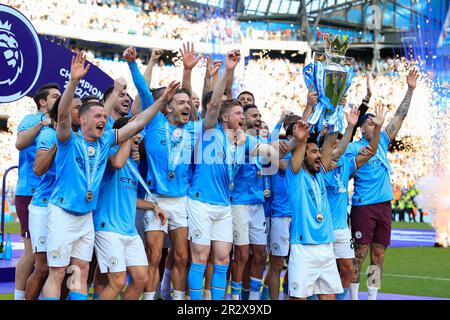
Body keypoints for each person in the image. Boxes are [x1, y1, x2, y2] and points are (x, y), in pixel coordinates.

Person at [41, 51, 180, 300]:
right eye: (98, 116)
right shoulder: (67, 140)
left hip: (85, 217)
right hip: (62, 212)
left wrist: (161, 103)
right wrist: (73, 82)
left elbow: (136, 124)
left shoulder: (106, 140)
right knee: (58, 272)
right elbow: (62, 114)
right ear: (82, 120)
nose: (103, 119)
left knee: (81, 271)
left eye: (105, 117)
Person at [186, 50, 279, 300]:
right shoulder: (209, 130)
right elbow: (214, 103)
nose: (243, 116)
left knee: (223, 258)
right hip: (200, 202)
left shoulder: (244, 140)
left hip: (223, 206)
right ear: (226, 117)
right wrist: (227, 71)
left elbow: (272, 153)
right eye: (238, 113)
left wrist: (294, 141)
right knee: (200, 257)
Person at [124, 45, 195, 300]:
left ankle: (177, 300)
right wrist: (134, 63)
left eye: (188, 102)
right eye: (180, 102)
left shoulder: (193, 129)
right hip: (156, 198)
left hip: (182, 201)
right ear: (167, 107)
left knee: (182, 256)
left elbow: (201, 102)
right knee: (154, 255)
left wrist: (188, 72)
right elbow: (144, 92)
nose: (186, 105)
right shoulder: (155, 122)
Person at [347, 69, 419, 300]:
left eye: (375, 121)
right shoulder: (353, 148)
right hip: (363, 206)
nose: (374, 122)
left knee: (378, 255)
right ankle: (355, 297)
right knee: (359, 254)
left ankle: (372, 297)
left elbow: (400, 116)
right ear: (362, 128)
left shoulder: (383, 141)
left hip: (384, 206)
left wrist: (410, 89)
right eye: (370, 121)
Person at [93, 117, 167, 300]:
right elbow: (117, 163)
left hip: (129, 231)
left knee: (141, 279)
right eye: (135, 131)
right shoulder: (109, 154)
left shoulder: (133, 164)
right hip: (108, 228)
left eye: (139, 132)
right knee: (117, 282)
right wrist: (128, 133)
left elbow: (129, 198)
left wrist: (152, 205)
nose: (139, 135)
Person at [324, 104, 385, 300]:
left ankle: (368, 297)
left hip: (342, 227)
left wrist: (377, 129)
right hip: (323, 228)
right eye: (333, 144)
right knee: (345, 262)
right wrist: (350, 126)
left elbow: (371, 151)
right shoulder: (318, 169)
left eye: (339, 144)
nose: (337, 147)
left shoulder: (346, 165)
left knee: (355, 266)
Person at [25, 94, 81, 300]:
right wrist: (60, 141)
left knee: (66, 268)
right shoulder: (48, 135)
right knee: (42, 268)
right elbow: (38, 169)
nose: (80, 112)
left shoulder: (83, 137)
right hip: (43, 206)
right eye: (76, 108)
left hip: (67, 210)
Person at [14, 83, 61, 300]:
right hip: (30, 193)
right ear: (42, 102)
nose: (60, 99)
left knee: (52, 255)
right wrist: (42, 124)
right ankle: (18, 296)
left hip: (56, 196)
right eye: (55, 96)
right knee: (32, 253)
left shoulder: (62, 124)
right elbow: (20, 143)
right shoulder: (31, 120)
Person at [286, 119, 342, 300]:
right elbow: (298, 152)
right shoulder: (296, 176)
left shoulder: (320, 175)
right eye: (313, 152)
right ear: (303, 156)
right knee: (299, 298)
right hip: (304, 249)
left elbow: (330, 143)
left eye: (319, 152)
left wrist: (337, 115)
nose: (319, 156)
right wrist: (301, 140)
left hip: (326, 247)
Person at [230, 103, 268, 301]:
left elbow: (274, 150)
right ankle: (236, 299)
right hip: (239, 203)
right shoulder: (237, 140)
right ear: (243, 119)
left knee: (261, 254)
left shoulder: (257, 141)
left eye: (260, 114)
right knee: (242, 255)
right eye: (254, 115)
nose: (259, 117)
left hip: (257, 204)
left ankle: (253, 299)